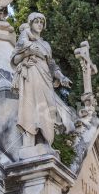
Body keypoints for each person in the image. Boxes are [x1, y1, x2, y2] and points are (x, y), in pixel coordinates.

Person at [11, 12, 71, 147]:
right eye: (36, 21)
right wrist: (29, 52)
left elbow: (51, 64)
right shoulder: (24, 39)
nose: (39, 24)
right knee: (31, 107)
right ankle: (29, 143)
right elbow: (15, 59)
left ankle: (45, 143)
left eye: (41, 22)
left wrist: (61, 77)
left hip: (46, 78)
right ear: (30, 23)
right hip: (32, 74)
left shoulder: (46, 44)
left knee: (49, 109)